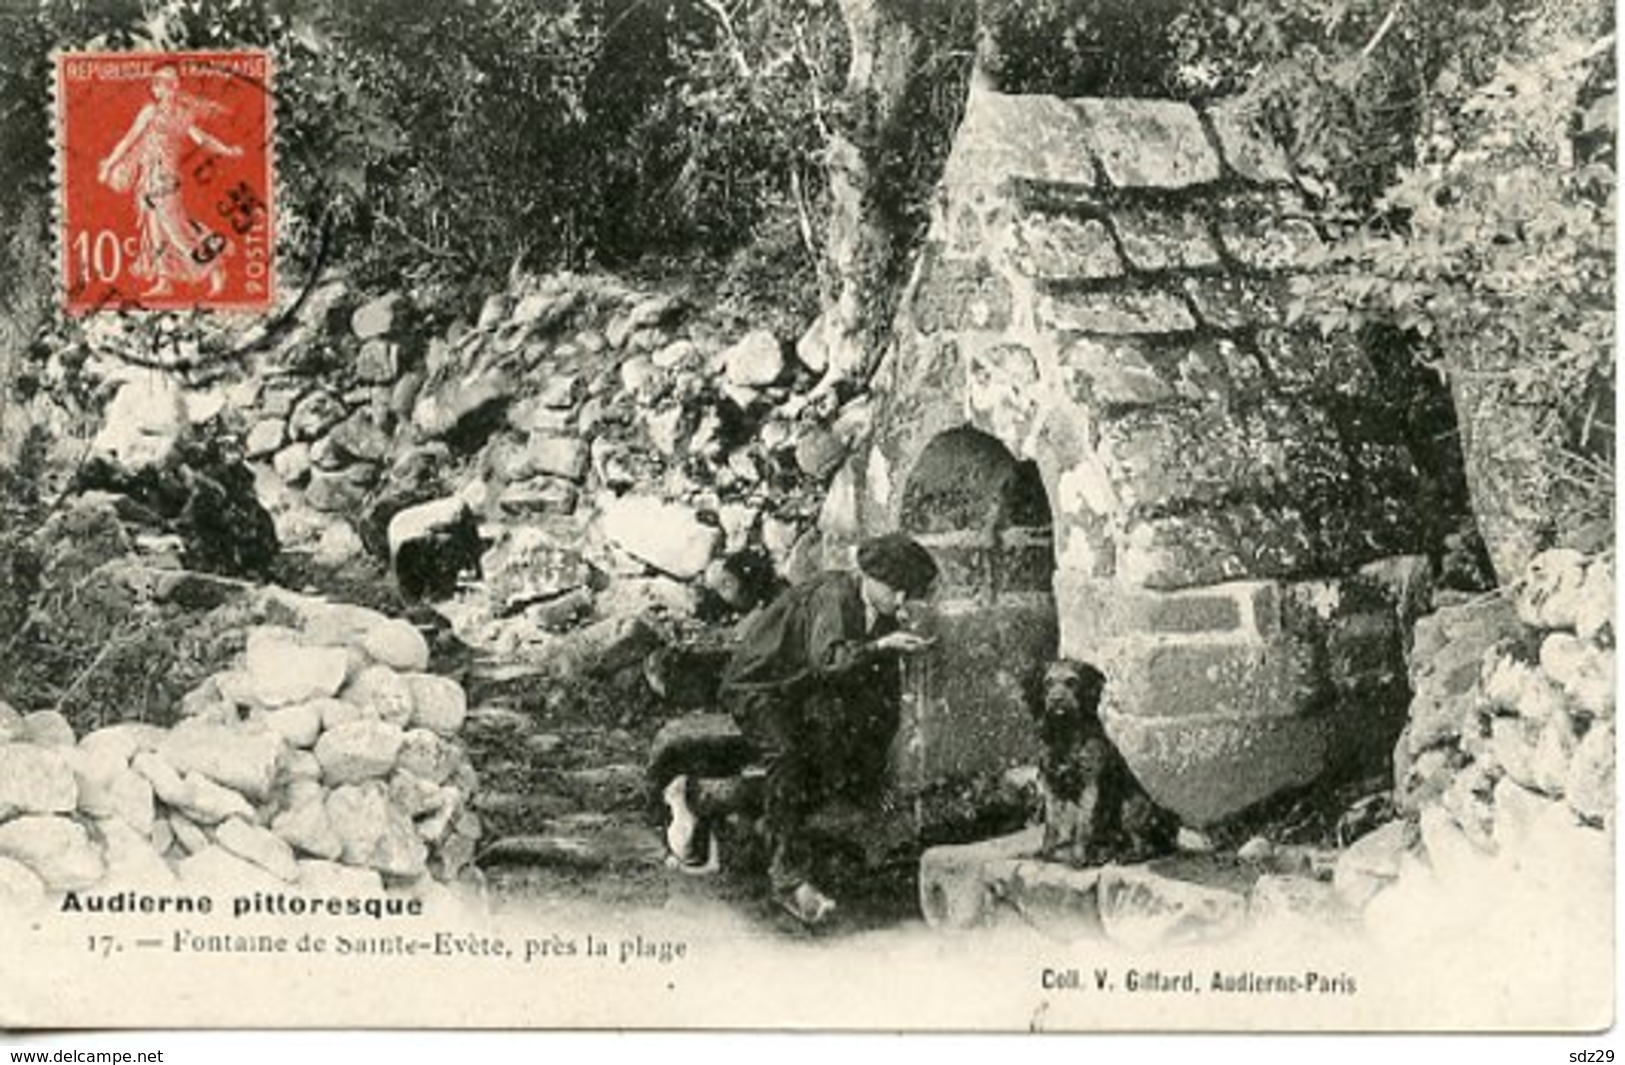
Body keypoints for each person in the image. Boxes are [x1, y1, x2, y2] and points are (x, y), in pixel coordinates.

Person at [665, 533, 939, 926]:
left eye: (907, 595)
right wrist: (882, 647)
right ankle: (789, 881)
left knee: (824, 766)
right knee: (787, 756)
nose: (900, 603)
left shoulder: (877, 607)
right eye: (895, 591)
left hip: (799, 688)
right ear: (870, 577)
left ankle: (699, 795)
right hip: (759, 688)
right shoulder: (834, 597)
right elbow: (829, 660)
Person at [97, 65, 243, 299]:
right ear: (156, 89)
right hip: (148, 179)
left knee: (176, 231)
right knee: (155, 232)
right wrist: (110, 165)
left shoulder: (181, 115)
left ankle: (215, 267)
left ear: (176, 87)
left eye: (173, 84)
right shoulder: (149, 112)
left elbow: (202, 138)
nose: (168, 89)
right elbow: (128, 139)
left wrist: (227, 150)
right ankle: (164, 282)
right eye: (163, 85)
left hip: (167, 179)